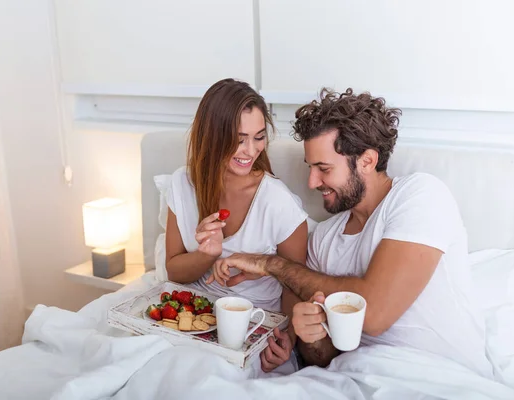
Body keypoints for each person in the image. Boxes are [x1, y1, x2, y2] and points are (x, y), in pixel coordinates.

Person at [209, 88, 494, 378]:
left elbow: (374, 315)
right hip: (355, 378)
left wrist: (271, 264)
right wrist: (311, 336)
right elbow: (322, 358)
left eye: (323, 168)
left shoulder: (420, 196)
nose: (311, 182)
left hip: (436, 376)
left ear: (367, 161)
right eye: (311, 168)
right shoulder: (324, 239)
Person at [165, 78, 308, 374]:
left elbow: (297, 284)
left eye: (258, 137)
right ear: (212, 135)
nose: (249, 150)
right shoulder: (182, 183)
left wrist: (288, 339)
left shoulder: (278, 203)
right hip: (191, 316)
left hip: (250, 329)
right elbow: (174, 271)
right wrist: (206, 254)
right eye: (239, 138)